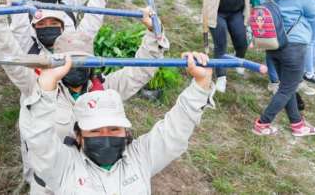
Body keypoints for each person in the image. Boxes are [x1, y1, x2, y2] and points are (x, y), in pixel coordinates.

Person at [19, 51, 214, 194]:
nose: (105, 136)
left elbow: (174, 131)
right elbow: (38, 138)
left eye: (114, 128)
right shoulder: (64, 166)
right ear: (79, 136)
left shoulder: (140, 157)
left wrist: (201, 84)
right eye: (95, 130)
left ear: (126, 132)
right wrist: (46, 87)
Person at [254, 0, 315, 137]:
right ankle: (262, 123)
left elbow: (261, 2)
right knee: (287, 88)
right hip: (294, 46)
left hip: (272, 42)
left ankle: (297, 124)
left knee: (287, 86)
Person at [255, 0, 293, 93]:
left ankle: (279, 76)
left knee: (278, 45)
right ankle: (274, 80)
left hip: (279, 12)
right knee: (271, 46)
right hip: (269, 13)